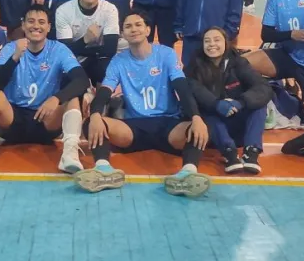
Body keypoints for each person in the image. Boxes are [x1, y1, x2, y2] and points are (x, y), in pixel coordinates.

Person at [73, 11, 211, 198]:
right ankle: (103, 170)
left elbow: (182, 88)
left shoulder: (166, 54)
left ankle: (187, 174)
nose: (133, 29)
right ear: (123, 33)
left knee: (198, 127)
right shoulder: (119, 60)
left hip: (168, 125)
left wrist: (196, 117)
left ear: (148, 30)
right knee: (91, 123)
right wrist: (96, 114)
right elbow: (105, 91)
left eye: (138, 25)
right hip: (134, 128)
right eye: (128, 26)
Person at [0, 4, 90, 175]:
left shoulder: (59, 49)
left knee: (72, 97)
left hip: (46, 119)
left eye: (41, 22)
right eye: (31, 21)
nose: (36, 26)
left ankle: (70, 155)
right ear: (23, 25)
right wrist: (15, 57)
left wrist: (56, 98)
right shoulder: (10, 48)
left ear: (49, 27)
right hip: (13, 119)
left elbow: (82, 80)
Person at [188, 27, 272, 174]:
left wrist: (241, 102)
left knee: (259, 105)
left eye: (217, 40)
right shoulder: (194, 67)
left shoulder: (239, 63)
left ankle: (251, 152)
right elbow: (194, 90)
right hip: (215, 130)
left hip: (239, 124)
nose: (212, 44)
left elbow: (262, 87)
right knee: (206, 113)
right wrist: (216, 104)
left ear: (226, 43)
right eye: (207, 41)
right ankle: (229, 153)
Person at [56, 0, 120, 86]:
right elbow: (64, 51)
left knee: (105, 70)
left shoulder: (110, 10)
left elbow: (110, 49)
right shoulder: (63, 11)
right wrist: (85, 40)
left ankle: (101, 102)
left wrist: (80, 49)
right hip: (74, 60)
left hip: (100, 59)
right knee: (66, 77)